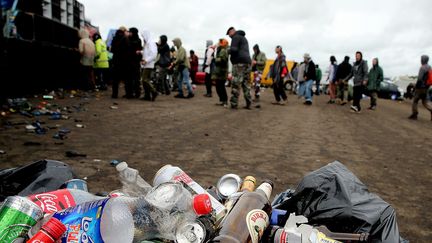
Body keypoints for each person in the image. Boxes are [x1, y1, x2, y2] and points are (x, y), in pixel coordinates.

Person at [226, 27, 252, 109]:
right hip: (247, 62)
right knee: (246, 84)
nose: (229, 36)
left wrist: (227, 50)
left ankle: (234, 104)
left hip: (239, 63)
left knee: (236, 83)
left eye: (229, 34)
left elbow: (234, 50)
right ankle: (249, 103)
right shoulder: (243, 38)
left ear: (232, 31)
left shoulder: (235, 37)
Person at [408, 55, 432, 120]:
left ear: (423, 60)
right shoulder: (430, 67)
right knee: (425, 102)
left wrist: (416, 87)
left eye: (421, 59)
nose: (421, 60)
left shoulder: (422, 68)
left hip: (420, 88)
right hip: (426, 88)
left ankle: (414, 114)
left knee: (415, 101)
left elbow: (419, 79)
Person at [110, 27, 129, 98]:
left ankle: (114, 94)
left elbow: (112, 50)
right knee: (126, 78)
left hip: (116, 60)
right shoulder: (125, 38)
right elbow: (128, 49)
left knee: (115, 79)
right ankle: (128, 94)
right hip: (124, 61)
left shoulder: (114, 38)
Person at [140, 29, 158, 101]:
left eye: (143, 36)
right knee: (144, 80)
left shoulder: (151, 43)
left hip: (148, 64)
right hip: (146, 64)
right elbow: (146, 52)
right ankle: (147, 95)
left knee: (144, 79)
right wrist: (141, 52)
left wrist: (146, 60)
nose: (143, 38)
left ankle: (154, 91)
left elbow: (153, 54)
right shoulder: (148, 43)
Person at [212, 38, 229, 107]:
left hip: (222, 72)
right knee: (219, 87)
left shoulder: (223, 50)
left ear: (222, 44)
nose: (218, 43)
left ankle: (225, 101)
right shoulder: (220, 50)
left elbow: (223, 60)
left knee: (220, 87)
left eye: (220, 42)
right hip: (220, 71)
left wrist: (214, 59)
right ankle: (223, 101)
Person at [128, 27, 143, 98]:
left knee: (136, 78)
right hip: (130, 61)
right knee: (130, 78)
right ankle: (130, 92)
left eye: (130, 32)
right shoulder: (129, 39)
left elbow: (138, 49)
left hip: (135, 61)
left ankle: (137, 93)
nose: (129, 33)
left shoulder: (137, 40)